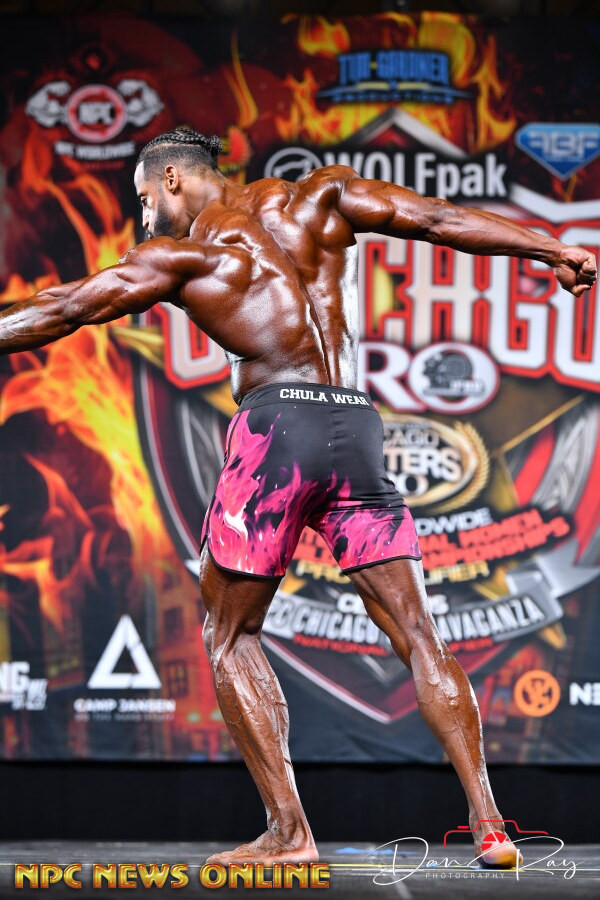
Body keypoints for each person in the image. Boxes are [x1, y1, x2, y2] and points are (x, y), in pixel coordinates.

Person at [0, 127, 596, 868]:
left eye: (147, 200)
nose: (147, 217)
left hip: (275, 435)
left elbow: (63, 307)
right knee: (419, 633)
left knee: (229, 635)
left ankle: (289, 835)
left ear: (173, 180)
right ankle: (491, 825)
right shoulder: (322, 196)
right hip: (355, 425)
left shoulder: (186, 256)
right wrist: (550, 249)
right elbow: (438, 220)